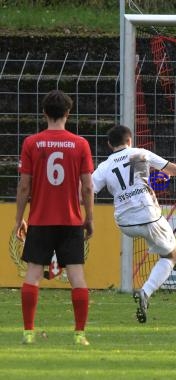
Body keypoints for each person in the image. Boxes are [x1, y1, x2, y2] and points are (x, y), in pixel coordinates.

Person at [14, 90, 95, 346]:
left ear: (44, 113)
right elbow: (88, 187)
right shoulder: (80, 144)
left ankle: (29, 332)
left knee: (33, 274)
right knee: (77, 277)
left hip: (40, 219)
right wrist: (89, 217)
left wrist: (19, 220)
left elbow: (24, 186)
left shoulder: (31, 142)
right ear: (68, 113)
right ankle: (80, 334)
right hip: (71, 221)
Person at [92, 125, 176, 323]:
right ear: (130, 140)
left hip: (124, 223)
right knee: (171, 253)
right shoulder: (140, 153)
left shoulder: (104, 166)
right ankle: (146, 291)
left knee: (164, 237)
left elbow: (88, 190)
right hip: (147, 215)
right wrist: (166, 174)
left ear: (110, 145)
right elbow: (175, 170)